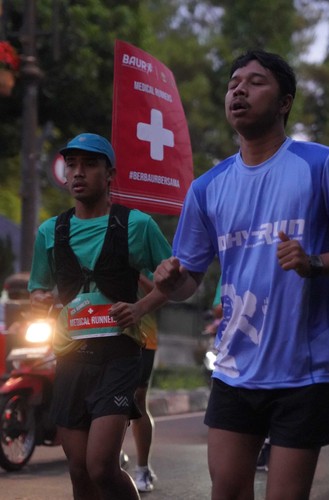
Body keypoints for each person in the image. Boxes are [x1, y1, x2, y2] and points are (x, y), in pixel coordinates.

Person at [153, 49, 329, 499]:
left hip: (303, 372)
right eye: (233, 83)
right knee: (226, 492)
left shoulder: (319, 165)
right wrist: (169, 281)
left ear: (284, 102)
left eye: (255, 82)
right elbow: (188, 282)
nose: (239, 90)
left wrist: (314, 263)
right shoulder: (206, 188)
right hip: (234, 368)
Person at [28, 133, 171, 500]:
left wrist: (140, 307)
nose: (78, 172)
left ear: (110, 175)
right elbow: (38, 287)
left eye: (90, 164)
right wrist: (41, 299)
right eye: (72, 165)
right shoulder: (50, 231)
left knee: (101, 466)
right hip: (70, 358)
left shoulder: (137, 225)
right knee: (79, 470)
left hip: (118, 357)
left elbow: (176, 282)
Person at [130, 273, 159, 492]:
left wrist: (136, 272)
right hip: (105, 332)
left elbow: (163, 292)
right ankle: (110, 456)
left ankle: (142, 468)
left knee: (138, 399)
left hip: (143, 335)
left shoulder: (143, 252)